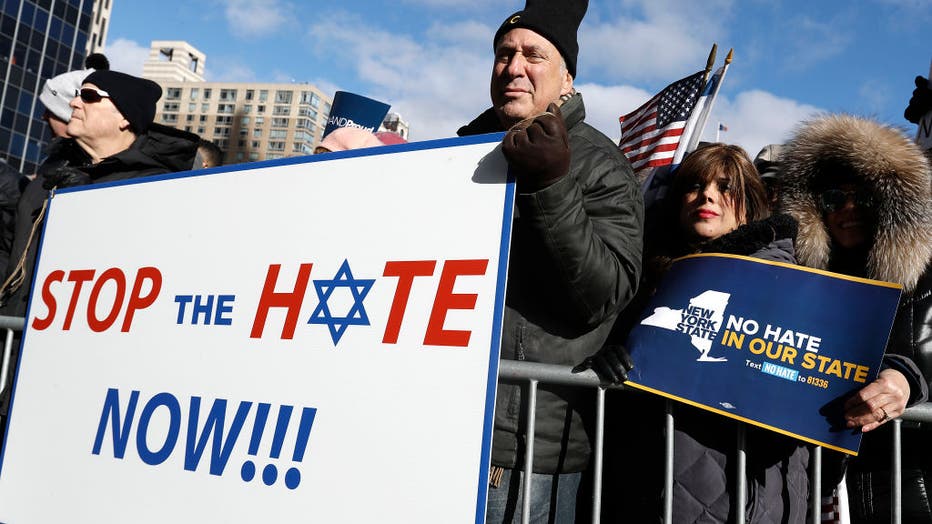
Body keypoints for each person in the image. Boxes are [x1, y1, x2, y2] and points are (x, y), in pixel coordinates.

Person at [457, 0, 644, 521]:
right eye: (503, 54)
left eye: (533, 55)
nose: (514, 67)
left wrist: (551, 184)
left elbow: (600, 296)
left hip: (524, 448)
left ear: (566, 80)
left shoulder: (600, 163)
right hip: (443, 417)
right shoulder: (459, 156)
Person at [580, 143, 807, 522]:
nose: (708, 195)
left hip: (747, 488)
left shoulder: (793, 282)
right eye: (695, 185)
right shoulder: (643, 274)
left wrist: (901, 377)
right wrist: (606, 363)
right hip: (651, 487)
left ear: (749, 204)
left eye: (726, 187)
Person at [0, 70, 199, 445]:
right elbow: (11, 255)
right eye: (77, 95)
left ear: (125, 116)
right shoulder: (48, 181)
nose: (75, 103)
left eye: (89, 96)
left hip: (80, 385)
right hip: (11, 355)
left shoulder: (157, 190)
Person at [778, 114, 931, 523]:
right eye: (833, 199)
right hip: (805, 480)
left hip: (904, 478)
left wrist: (908, 381)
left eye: (862, 197)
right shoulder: (793, 277)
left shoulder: (926, 274)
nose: (848, 209)